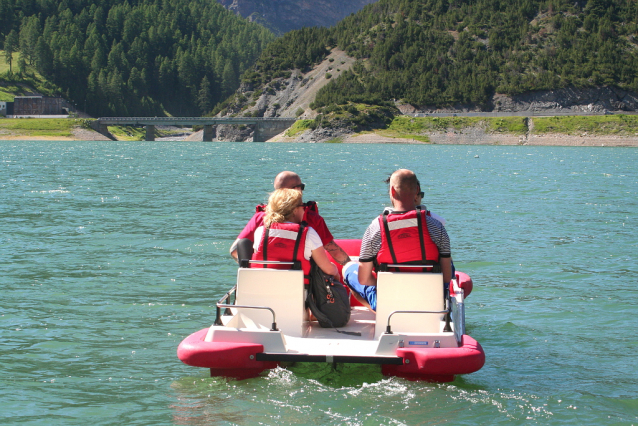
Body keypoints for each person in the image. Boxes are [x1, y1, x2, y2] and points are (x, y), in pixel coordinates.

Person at [342, 169, 453, 312]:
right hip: (429, 299)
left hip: (388, 300)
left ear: (392, 191)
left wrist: (386, 283)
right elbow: (446, 276)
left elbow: (363, 279)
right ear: (417, 190)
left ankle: (381, 312)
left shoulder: (375, 228)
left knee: (348, 269)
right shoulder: (436, 226)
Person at [230, 171, 350, 265]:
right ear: (296, 189)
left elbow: (234, 250)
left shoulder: (261, 217)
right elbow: (334, 251)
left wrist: (253, 266)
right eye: (301, 186)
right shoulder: (312, 219)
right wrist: (350, 266)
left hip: (266, 280)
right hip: (303, 283)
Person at [251, 188, 340, 282]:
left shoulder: (260, 232)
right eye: (303, 206)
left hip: (264, 289)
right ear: (294, 210)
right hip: (298, 293)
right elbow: (327, 268)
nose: (304, 210)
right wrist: (336, 272)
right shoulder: (308, 233)